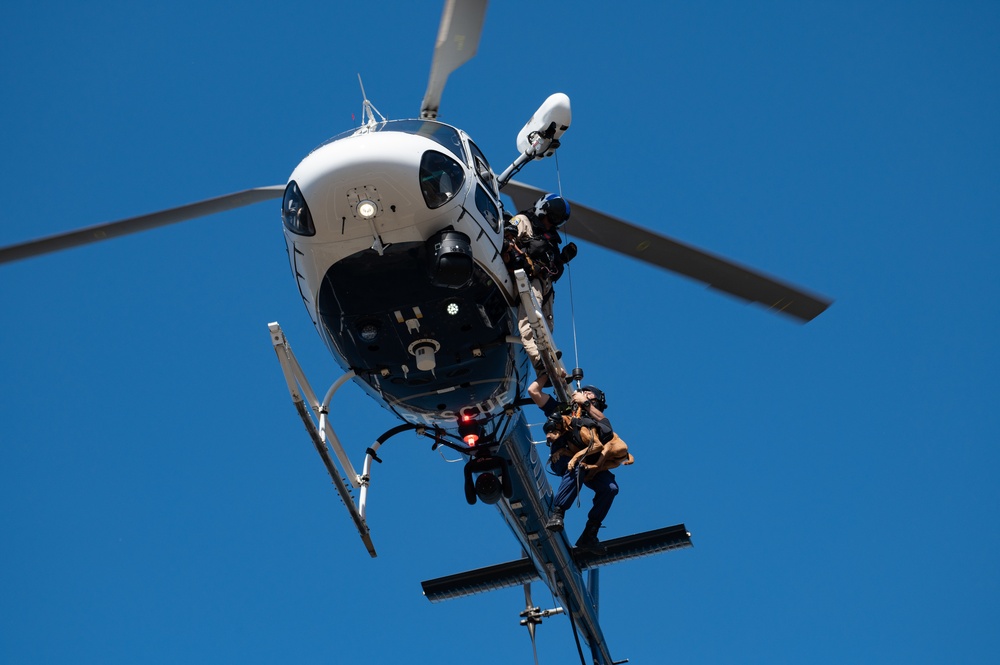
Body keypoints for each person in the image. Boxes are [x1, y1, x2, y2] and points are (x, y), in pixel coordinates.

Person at [528, 376, 626, 552]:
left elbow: (607, 429)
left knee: (610, 488)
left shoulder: (597, 424)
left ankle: (590, 533)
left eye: (590, 395)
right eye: (583, 393)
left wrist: (586, 404)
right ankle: (558, 513)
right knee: (577, 467)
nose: (585, 395)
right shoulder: (564, 411)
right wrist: (547, 375)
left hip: (590, 462)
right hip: (565, 459)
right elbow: (533, 391)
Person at [505, 194, 577, 375]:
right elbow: (508, 237)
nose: (552, 224)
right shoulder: (524, 221)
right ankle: (539, 359)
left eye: (557, 221)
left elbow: (552, 266)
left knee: (546, 326)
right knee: (531, 317)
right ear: (543, 210)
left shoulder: (551, 239)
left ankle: (548, 365)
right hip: (530, 280)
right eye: (552, 218)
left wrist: (562, 258)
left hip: (546, 287)